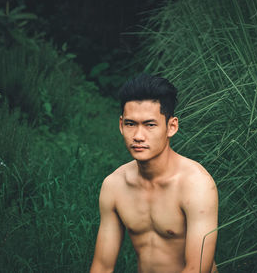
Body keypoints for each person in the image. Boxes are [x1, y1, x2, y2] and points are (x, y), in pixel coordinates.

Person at [90, 74, 218, 273]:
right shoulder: (114, 185)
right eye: (131, 124)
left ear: (171, 126)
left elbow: (197, 269)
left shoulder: (196, 184)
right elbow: (102, 267)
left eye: (150, 125)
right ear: (121, 125)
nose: (138, 136)